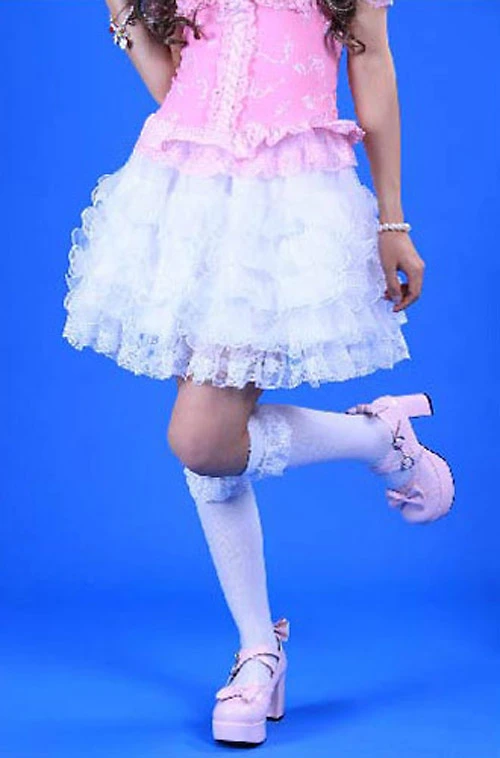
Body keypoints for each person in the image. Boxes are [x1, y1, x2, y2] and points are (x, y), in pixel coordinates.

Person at [62, 0, 455, 746]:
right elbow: (175, 89)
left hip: (282, 201)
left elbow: (370, 57)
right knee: (211, 449)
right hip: (186, 192)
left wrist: (392, 218)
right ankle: (258, 653)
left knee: (204, 439)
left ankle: (382, 441)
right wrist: (125, 16)